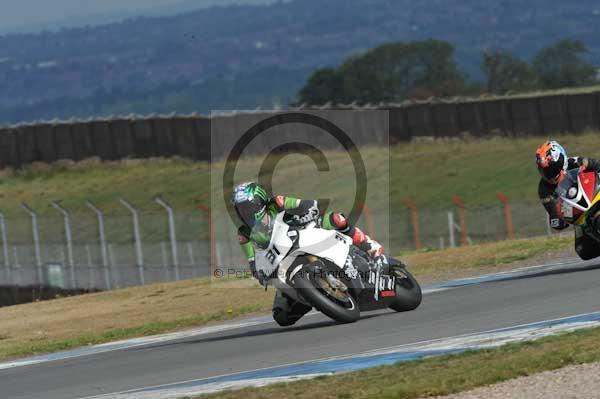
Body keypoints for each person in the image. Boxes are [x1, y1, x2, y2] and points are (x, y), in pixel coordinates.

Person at [232, 181, 384, 326]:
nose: (245, 213)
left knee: (336, 219)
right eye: (241, 210)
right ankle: (312, 297)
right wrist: (258, 272)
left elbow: (307, 204)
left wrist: (306, 213)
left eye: (248, 208)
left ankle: (370, 247)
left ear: (260, 202)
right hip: (282, 264)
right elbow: (252, 259)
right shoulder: (244, 233)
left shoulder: (277, 203)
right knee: (281, 316)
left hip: (304, 231)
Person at [535, 140, 600, 260]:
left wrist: (590, 164)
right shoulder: (544, 189)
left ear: (561, 161)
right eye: (544, 171)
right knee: (584, 251)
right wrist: (558, 219)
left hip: (595, 196)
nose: (549, 174)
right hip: (580, 216)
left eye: (552, 168)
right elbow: (553, 213)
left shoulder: (575, 162)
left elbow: (597, 165)